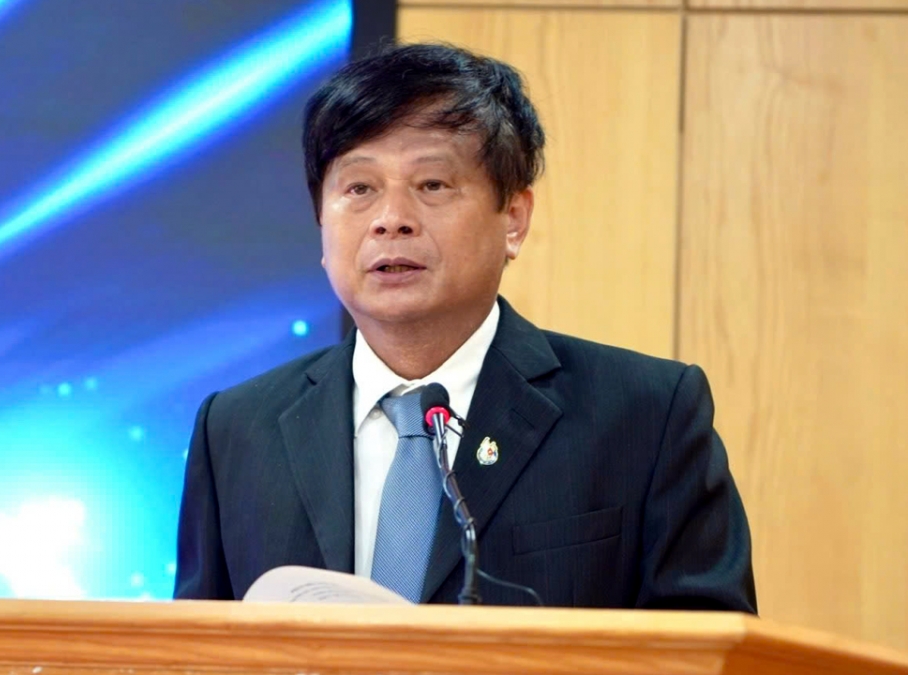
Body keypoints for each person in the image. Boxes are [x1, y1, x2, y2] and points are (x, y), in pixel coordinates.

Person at [174, 43, 756, 611]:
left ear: (514, 220)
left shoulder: (646, 416)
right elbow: (189, 650)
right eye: (359, 188)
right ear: (322, 222)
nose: (391, 220)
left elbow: (707, 650)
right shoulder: (236, 430)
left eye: (432, 185)